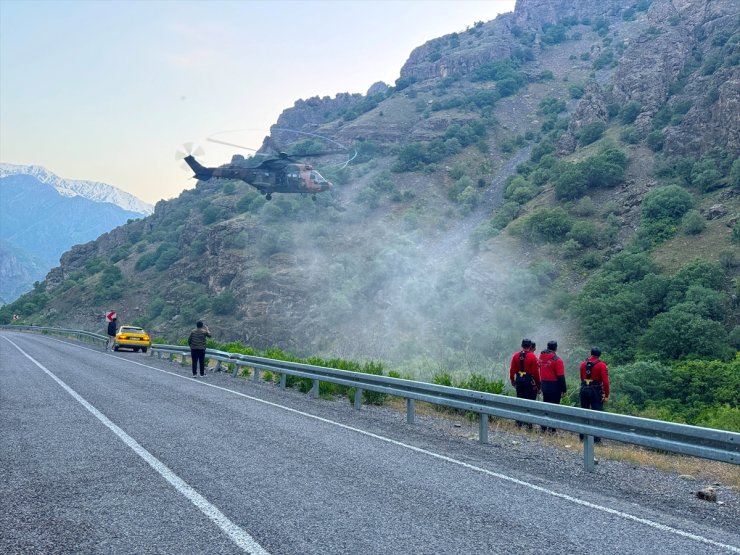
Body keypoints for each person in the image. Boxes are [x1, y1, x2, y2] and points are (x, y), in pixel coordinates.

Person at [579, 346, 610, 443]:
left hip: (584, 389)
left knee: (584, 412)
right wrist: (606, 395)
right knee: (597, 414)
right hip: (596, 390)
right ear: (599, 355)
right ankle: (596, 439)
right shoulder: (602, 365)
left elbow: (581, 378)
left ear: (591, 353)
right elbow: (605, 382)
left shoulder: (583, 364)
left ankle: (582, 437)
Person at [509, 338, 541, 429]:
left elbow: (512, 370)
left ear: (522, 346)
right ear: (530, 346)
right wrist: (538, 385)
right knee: (530, 401)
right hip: (529, 381)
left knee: (520, 400)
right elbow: (535, 373)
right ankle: (529, 425)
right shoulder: (533, 357)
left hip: (519, 380)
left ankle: (518, 423)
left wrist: (512, 381)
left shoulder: (515, 355)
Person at [539, 340, 567, 433]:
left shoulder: (541, 357)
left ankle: (543, 428)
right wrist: (563, 389)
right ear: (555, 348)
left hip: (544, 385)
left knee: (545, 405)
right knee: (554, 407)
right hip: (554, 386)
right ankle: (552, 430)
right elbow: (560, 376)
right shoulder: (557, 360)